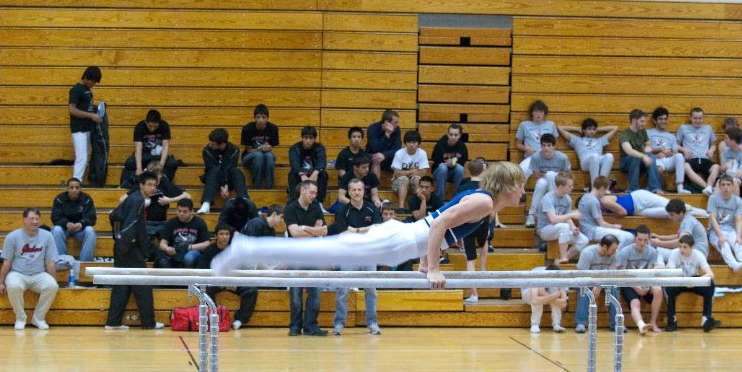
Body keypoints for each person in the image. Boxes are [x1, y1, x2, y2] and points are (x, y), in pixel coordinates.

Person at [212, 162, 527, 290]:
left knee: (320, 254)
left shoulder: (484, 203)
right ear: (508, 185)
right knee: (319, 254)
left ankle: (247, 249)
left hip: (402, 240)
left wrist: (422, 262)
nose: (523, 192)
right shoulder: (484, 203)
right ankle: (246, 248)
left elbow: (435, 221)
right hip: (398, 241)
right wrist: (432, 268)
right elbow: (439, 224)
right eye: (522, 186)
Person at [106, 172, 163, 330]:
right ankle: (148, 323)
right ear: (141, 185)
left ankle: (113, 322)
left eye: (154, 185)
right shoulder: (138, 200)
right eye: (149, 185)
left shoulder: (135, 198)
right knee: (143, 285)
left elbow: (114, 216)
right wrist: (125, 242)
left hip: (122, 247)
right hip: (129, 248)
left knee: (121, 285)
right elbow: (131, 226)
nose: (153, 188)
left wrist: (117, 238)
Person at [329, 179, 382, 335]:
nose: (357, 192)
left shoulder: (372, 209)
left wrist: (357, 231)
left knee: (371, 290)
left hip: (369, 254)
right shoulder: (342, 210)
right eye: (354, 190)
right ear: (349, 192)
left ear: (363, 191)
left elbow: (377, 229)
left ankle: (372, 323)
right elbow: (343, 232)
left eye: (359, 189)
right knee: (343, 290)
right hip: (349, 255)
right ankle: (339, 323)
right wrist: (365, 229)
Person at [0, 208, 59, 330]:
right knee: (13, 286)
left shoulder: (48, 236)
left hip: (39, 274)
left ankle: (38, 318)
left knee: (52, 286)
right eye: (31, 219)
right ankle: (20, 318)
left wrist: (54, 280)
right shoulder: (12, 237)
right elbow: (7, 262)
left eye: (37, 219)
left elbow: (50, 263)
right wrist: (1, 283)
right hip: (17, 273)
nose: (35, 221)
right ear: (24, 220)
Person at [119, 159, 191, 264]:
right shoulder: (143, 185)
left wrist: (169, 200)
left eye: (160, 174)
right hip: (146, 222)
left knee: (173, 241)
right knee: (142, 240)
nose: (158, 177)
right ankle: (157, 257)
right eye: (154, 174)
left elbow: (187, 196)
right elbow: (123, 199)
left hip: (163, 223)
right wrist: (142, 202)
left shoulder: (165, 184)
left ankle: (173, 261)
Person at [283, 180, 329, 336]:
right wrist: (313, 231)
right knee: (295, 293)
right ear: (302, 190)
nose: (314, 196)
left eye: (315, 193)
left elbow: (324, 231)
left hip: (312, 254)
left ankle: (311, 326)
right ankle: (295, 326)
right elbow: (294, 233)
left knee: (315, 292)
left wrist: (303, 228)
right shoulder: (290, 209)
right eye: (312, 192)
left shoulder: (316, 208)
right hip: (295, 254)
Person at [200, 223, 258, 330]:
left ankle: (240, 319)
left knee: (252, 290)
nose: (225, 237)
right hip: (216, 282)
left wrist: (234, 281)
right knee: (206, 289)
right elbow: (206, 272)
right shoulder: (209, 250)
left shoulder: (235, 250)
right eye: (221, 234)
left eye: (227, 234)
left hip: (233, 281)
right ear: (216, 236)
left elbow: (241, 269)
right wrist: (223, 282)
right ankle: (214, 317)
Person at [664, 234, 720, 332]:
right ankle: (672, 319)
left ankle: (706, 319)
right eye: (680, 246)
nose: (681, 249)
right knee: (668, 287)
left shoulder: (698, 255)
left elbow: (710, 274)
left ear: (692, 247)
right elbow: (671, 273)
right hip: (679, 280)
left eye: (685, 247)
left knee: (710, 284)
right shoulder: (674, 254)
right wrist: (684, 281)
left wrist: (696, 281)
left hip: (693, 280)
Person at [616, 225, 663, 335]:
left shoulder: (652, 252)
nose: (642, 243)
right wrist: (635, 286)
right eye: (640, 239)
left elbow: (650, 272)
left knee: (658, 290)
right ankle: (641, 325)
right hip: (628, 282)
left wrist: (646, 286)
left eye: (645, 240)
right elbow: (622, 274)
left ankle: (653, 322)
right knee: (635, 303)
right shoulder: (625, 252)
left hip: (644, 281)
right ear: (634, 238)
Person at [537, 171, 588, 264]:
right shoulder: (548, 198)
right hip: (545, 230)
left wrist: (573, 228)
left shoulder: (567, 198)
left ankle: (562, 260)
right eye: (570, 186)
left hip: (559, 230)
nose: (572, 188)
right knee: (564, 227)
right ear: (560, 186)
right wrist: (572, 215)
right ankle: (563, 256)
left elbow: (567, 217)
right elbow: (553, 219)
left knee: (584, 240)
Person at [459, 158, 492, 303]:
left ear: (468, 171)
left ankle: (474, 294)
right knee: (484, 241)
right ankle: (483, 269)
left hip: (467, 225)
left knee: (470, 259)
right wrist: (488, 223)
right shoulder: (487, 187)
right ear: (483, 169)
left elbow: (458, 209)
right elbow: (492, 211)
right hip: (483, 222)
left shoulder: (463, 186)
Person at [707, 175, 742, 273]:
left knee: (738, 243)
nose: (726, 187)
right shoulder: (713, 198)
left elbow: (738, 220)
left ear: (733, 187)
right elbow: (712, 218)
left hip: (730, 229)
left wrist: (739, 236)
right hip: (715, 231)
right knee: (724, 244)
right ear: (719, 187)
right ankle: (733, 264)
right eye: (723, 185)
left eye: (728, 185)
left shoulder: (738, 200)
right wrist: (720, 235)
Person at [574, 235, 621, 333]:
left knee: (613, 289)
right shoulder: (587, 253)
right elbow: (582, 275)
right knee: (584, 290)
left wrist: (599, 284)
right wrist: (596, 283)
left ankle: (616, 323)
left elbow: (611, 274)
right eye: (613, 249)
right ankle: (581, 322)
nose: (615, 252)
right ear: (604, 247)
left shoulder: (614, 255)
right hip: (587, 281)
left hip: (604, 282)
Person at [123, 109, 180, 187]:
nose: (152, 129)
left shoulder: (164, 126)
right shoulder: (140, 126)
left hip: (158, 155)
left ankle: (165, 182)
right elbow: (138, 149)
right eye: (150, 126)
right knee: (130, 162)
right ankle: (135, 184)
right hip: (145, 154)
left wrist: (160, 167)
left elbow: (166, 146)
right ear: (146, 122)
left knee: (172, 163)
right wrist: (138, 168)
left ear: (159, 124)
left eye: (155, 126)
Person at [524, 132, 571, 228]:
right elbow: (535, 175)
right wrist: (550, 175)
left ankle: (553, 205)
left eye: (549, 145)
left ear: (554, 146)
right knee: (541, 183)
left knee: (550, 175)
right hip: (543, 181)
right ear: (540, 146)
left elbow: (568, 175)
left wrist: (553, 175)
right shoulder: (536, 156)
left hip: (559, 183)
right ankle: (531, 215)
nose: (546, 148)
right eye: (544, 145)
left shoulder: (562, 157)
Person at [197, 128, 248, 214]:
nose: (210, 145)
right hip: (213, 180)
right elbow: (210, 168)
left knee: (236, 171)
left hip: (228, 180)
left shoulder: (234, 150)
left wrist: (226, 185)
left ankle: (244, 201)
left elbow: (230, 167)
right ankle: (206, 204)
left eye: (213, 144)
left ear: (221, 144)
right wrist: (222, 185)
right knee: (214, 169)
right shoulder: (207, 150)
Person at [557, 118, 617, 188]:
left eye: (594, 129)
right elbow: (560, 128)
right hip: (585, 162)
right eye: (589, 129)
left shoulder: (600, 141)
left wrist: (598, 129)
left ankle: (602, 186)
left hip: (597, 161)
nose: (592, 131)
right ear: (584, 130)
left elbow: (615, 128)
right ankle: (595, 187)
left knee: (609, 156)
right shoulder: (577, 140)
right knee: (594, 156)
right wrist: (577, 129)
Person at [650, 198, 709, 265]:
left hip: (696, 256)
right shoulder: (687, 219)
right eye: (669, 214)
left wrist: (659, 243)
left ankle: (661, 269)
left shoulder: (687, 222)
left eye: (672, 215)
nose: (670, 217)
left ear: (681, 213)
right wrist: (659, 237)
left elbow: (681, 242)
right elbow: (677, 236)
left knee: (659, 251)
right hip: (695, 253)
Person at [68, 66, 102, 183]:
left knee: (85, 158)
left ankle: (78, 182)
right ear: (87, 77)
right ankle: (75, 184)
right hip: (79, 130)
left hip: (87, 129)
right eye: (93, 81)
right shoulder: (76, 90)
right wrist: (90, 115)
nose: (94, 84)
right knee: (81, 158)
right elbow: (72, 109)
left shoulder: (87, 90)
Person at [577, 176, 633, 246]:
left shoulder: (585, 196)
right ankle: (615, 255)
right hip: (592, 231)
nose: (605, 194)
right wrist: (614, 226)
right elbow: (602, 223)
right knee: (628, 237)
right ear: (602, 188)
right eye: (605, 191)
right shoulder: (593, 201)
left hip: (587, 230)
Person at [51, 177, 97, 261]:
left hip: (80, 230)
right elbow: (55, 218)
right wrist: (66, 223)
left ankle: (85, 263)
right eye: (71, 187)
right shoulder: (59, 199)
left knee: (90, 231)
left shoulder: (87, 199)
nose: (74, 190)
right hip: (64, 229)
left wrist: (81, 224)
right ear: (67, 188)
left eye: (77, 187)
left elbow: (92, 218)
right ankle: (61, 261)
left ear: (80, 189)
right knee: (56, 230)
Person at [157, 198, 212, 269]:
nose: (181, 214)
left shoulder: (200, 223)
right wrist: (167, 249)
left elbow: (207, 243)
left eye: (185, 212)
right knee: (163, 260)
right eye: (179, 211)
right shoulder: (171, 223)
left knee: (189, 258)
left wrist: (189, 247)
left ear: (191, 211)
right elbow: (162, 243)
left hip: (193, 251)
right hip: (175, 252)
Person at [647, 107, 689, 194]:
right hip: (656, 159)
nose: (663, 121)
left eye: (665, 119)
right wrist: (659, 151)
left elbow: (675, 151)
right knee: (658, 169)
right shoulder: (648, 132)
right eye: (661, 119)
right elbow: (646, 149)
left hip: (668, 159)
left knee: (679, 156)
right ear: (655, 121)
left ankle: (680, 187)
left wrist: (666, 154)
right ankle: (659, 190)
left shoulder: (671, 136)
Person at [619, 109, 662, 193]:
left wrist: (647, 147)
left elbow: (647, 144)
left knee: (651, 157)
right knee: (635, 158)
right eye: (642, 121)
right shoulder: (625, 134)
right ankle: (633, 189)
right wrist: (643, 156)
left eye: (645, 121)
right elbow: (629, 151)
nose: (644, 124)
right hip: (626, 163)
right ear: (634, 120)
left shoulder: (642, 131)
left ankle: (654, 188)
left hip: (641, 161)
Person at [677, 107, 718, 195]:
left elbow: (714, 145)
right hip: (691, 159)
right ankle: (706, 188)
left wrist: (711, 150)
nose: (698, 120)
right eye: (695, 118)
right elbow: (676, 145)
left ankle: (709, 187)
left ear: (703, 118)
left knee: (716, 167)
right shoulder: (683, 128)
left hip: (705, 159)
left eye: (700, 118)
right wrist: (683, 149)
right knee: (685, 166)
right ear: (691, 118)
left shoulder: (708, 128)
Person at [240, 103, 279, 190]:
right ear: (255, 118)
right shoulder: (247, 128)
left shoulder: (273, 128)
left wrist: (269, 147)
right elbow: (249, 150)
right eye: (258, 117)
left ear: (267, 118)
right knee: (259, 155)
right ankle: (256, 186)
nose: (261, 120)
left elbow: (271, 147)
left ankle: (269, 186)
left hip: (266, 156)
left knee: (269, 155)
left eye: (263, 117)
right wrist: (260, 149)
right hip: (248, 157)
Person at [391, 130, 429, 214]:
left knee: (417, 180)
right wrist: (414, 170)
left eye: (414, 142)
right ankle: (401, 208)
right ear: (405, 142)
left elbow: (423, 172)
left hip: (414, 180)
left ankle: (417, 207)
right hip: (398, 182)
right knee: (405, 179)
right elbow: (397, 173)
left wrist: (405, 172)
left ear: (418, 143)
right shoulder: (399, 153)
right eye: (409, 142)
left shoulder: (422, 153)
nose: (411, 145)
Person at [288, 125, 329, 204]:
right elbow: (294, 163)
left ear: (314, 139)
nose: (308, 141)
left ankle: (319, 202)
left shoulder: (319, 147)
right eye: (306, 138)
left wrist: (316, 172)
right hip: (300, 175)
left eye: (311, 138)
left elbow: (322, 161)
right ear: (302, 138)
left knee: (324, 174)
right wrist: (302, 175)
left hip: (313, 175)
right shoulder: (294, 148)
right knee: (292, 174)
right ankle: (293, 201)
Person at [599, 189, 707, 219]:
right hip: (638, 211)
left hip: (639, 198)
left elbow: (623, 212)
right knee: (667, 213)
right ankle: (695, 215)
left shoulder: (603, 200)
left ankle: (704, 213)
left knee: (671, 205)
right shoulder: (601, 209)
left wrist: (609, 216)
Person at [515, 99, 557, 175]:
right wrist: (526, 148)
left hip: (547, 158)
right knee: (520, 173)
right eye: (536, 111)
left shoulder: (551, 125)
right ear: (532, 113)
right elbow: (518, 144)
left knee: (551, 177)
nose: (538, 114)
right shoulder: (524, 125)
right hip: (531, 158)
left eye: (541, 112)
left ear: (544, 113)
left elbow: (554, 145)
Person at [521, 265, 567, 333]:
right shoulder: (537, 274)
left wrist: (546, 294)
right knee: (539, 295)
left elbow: (563, 304)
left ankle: (557, 324)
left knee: (553, 291)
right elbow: (535, 300)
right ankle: (535, 324)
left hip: (544, 293)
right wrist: (553, 296)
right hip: (527, 293)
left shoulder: (561, 277)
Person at [430, 124, 468, 198]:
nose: (453, 137)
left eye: (456, 135)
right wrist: (445, 163)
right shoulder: (440, 144)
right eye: (451, 134)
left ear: (460, 135)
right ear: (447, 134)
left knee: (459, 168)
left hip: (454, 173)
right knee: (442, 168)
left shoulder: (462, 147)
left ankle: (458, 197)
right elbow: (435, 159)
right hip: (439, 173)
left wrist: (455, 164)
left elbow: (463, 162)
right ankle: (440, 199)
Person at [718, 126, 742, 199]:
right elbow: (721, 169)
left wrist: (729, 178)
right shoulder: (726, 150)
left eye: (726, 138)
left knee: (734, 182)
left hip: (741, 179)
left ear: (733, 140)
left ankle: (735, 206)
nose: (724, 140)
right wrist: (729, 164)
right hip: (727, 175)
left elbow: (741, 174)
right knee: (719, 182)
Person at [366, 109, 401, 179]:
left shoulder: (397, 129)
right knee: (376, 158)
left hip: (389, 156)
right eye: (395, 122)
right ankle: (374, 187)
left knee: (402, 158)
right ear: (387, 122)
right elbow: (376, 149)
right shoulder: (372, 129)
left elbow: (397, 148)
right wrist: (387, 134)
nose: (397, 125)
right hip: (372, 155)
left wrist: (384, 155)